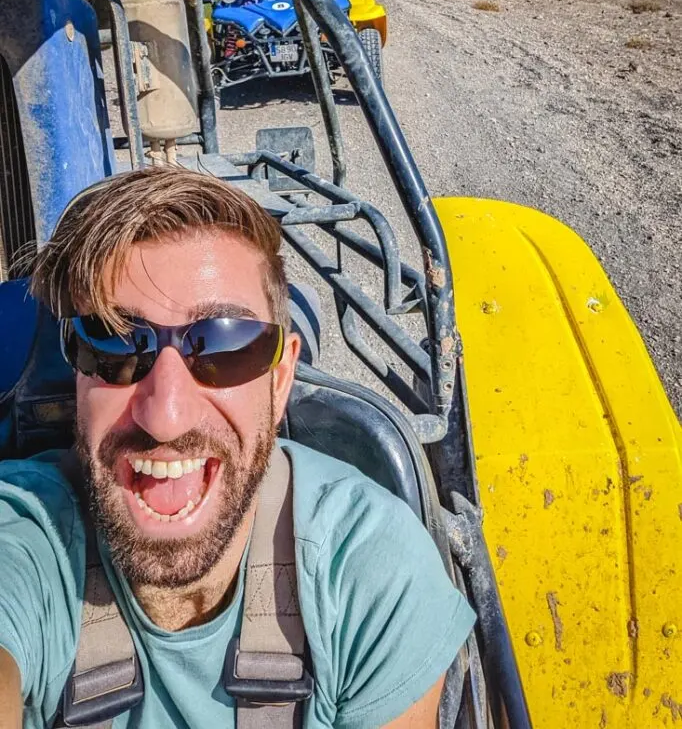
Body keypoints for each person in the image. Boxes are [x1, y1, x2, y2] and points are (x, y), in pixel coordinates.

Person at [0, 166, 475, 729]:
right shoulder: (28, 539)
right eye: (115, 347)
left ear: (280, 380)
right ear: (77, 372)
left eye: (225, 346)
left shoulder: (371, 574)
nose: (165, 415)